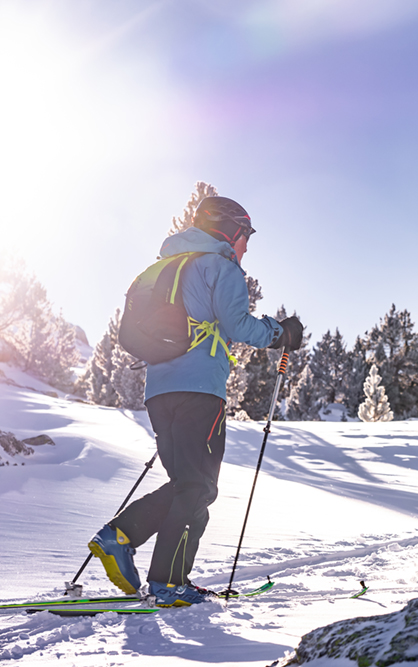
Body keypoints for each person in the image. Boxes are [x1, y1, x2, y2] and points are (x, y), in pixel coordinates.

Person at [87, 196, 303, 607]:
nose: (246, 245)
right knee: (199, 487)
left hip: (159, 391)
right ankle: (169, 583)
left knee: (187, 484)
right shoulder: (219, 267)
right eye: (246, 235)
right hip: (200, 390)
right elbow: (237, 324)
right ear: (229, 230)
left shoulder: (165, 267)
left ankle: (120, 538)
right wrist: (282, 334)